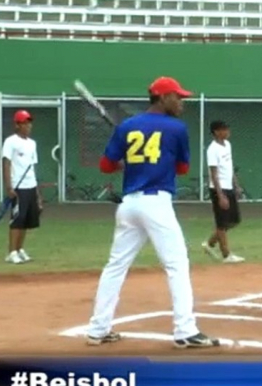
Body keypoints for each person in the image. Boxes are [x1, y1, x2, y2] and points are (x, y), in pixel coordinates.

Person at [85, 76, 220, 349]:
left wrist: (131, 163)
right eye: (177, 97)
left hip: (129, 205)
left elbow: (105, 165)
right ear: (162, 97)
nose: (181, 102)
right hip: (156, 203)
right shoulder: (176, 128)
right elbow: (182, 169)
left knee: (115, 266)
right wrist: (156, 162)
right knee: (177, 264)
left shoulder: (126, 127)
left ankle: (98, 329)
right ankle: (185, 330)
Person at [1, 109, 42, 265]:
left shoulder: (32, 144)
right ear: (17, 125)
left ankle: (19, 249)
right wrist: (9, 187)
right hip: (18, 187)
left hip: (30, 186)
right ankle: (11, 252)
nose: (28, 126)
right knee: (17, 220)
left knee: (26, 221)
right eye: (25, 123)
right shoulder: (10, 141)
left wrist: (37, 194)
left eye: (29, 122)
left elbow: (32, 167)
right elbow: (6, 163)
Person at [201, 120, 245, 264]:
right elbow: (213, 174)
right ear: (216, 132)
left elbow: (229, 167)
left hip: (229, 187)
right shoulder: (212, 149)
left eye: (227, 129)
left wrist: (236, 185)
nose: (227, 132)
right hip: (218, 189)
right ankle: (226, 255)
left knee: (234, 221)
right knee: (222, 222)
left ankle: (209, 243)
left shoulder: (227, 145)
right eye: (224, 129)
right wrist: (220, 196)